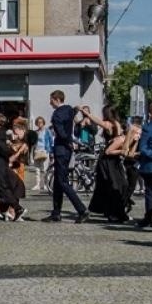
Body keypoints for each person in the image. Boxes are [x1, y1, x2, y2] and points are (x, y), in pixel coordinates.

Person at [42, 91, 90, 222]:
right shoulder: (68, 109)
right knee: (58, 182)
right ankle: (56, 212)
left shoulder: (56, 114)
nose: (50, 102)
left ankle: (82, 210)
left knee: (62, 181)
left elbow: (61, 134)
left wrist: (67, 140)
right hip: (67, 150)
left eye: (51, 100)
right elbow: (73, 112)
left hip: (61, 149)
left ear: (57, 99)